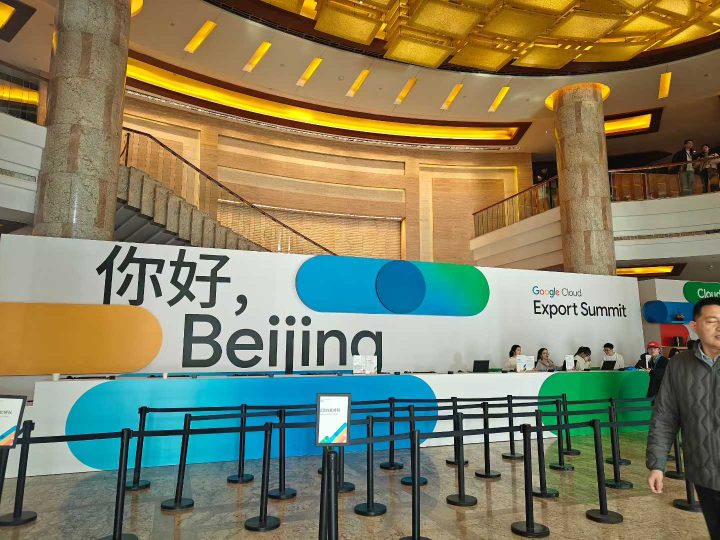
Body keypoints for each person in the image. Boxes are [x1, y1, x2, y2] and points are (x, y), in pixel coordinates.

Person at [647, 298, 720, 538]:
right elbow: (665, 416)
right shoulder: (679, 365)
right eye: (712, 321)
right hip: (705, 472)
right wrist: (657, 464)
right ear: (694, 326)